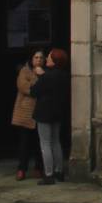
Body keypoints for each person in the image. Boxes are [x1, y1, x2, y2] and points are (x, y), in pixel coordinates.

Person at [31, 46, 68, 185]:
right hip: (58, 111)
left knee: (45, 143)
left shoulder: (47, 76)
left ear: (55, 60)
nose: (47, 58)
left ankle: (48, 174)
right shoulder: (64, 75)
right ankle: (59, 171)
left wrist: (40, 76)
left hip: (44, 112)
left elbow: (34, 91)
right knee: (56, 141)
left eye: (50, 57)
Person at [11, 49, 45, 180]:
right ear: (31, 59)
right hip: (25, 112)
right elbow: (23, 87)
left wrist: (40, 79)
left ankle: (38, 168)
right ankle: (21, 169)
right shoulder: (24, 71)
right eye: (36, 57)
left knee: (39, 143)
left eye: (41, 58)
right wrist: (37, 85)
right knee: (24, 143)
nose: (38, 60)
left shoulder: (46, 73)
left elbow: (46, 87)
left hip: (40, 111)